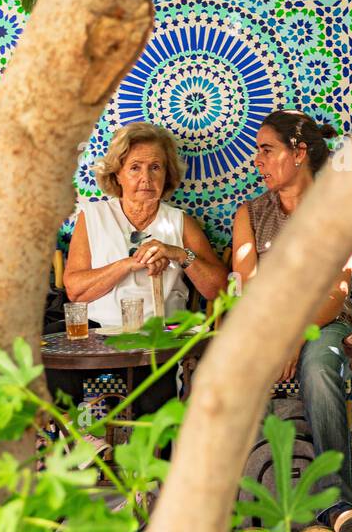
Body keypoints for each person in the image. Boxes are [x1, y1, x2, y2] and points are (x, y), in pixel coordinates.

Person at [232, 109, 352, 532]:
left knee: (317, 366)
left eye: (266, 150)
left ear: (299, 153)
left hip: (324, 324)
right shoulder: (250, 214)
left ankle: (336, 504)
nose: (257, 160)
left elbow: (335, 294)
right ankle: (243, 505)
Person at [60, 122, 228, 415]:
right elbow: (75, 290)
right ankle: (86, 445)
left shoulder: (179, 222)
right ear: (118, 174)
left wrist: (177, 253)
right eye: (135, 167)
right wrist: (129, 263)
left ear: (167, 174)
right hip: (98, 340)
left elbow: (219, 288)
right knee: (49, 368)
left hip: (158, 339)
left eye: (156, 168)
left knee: (153, 393)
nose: (146, 178)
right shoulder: (93, 217)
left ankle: (147, 458)